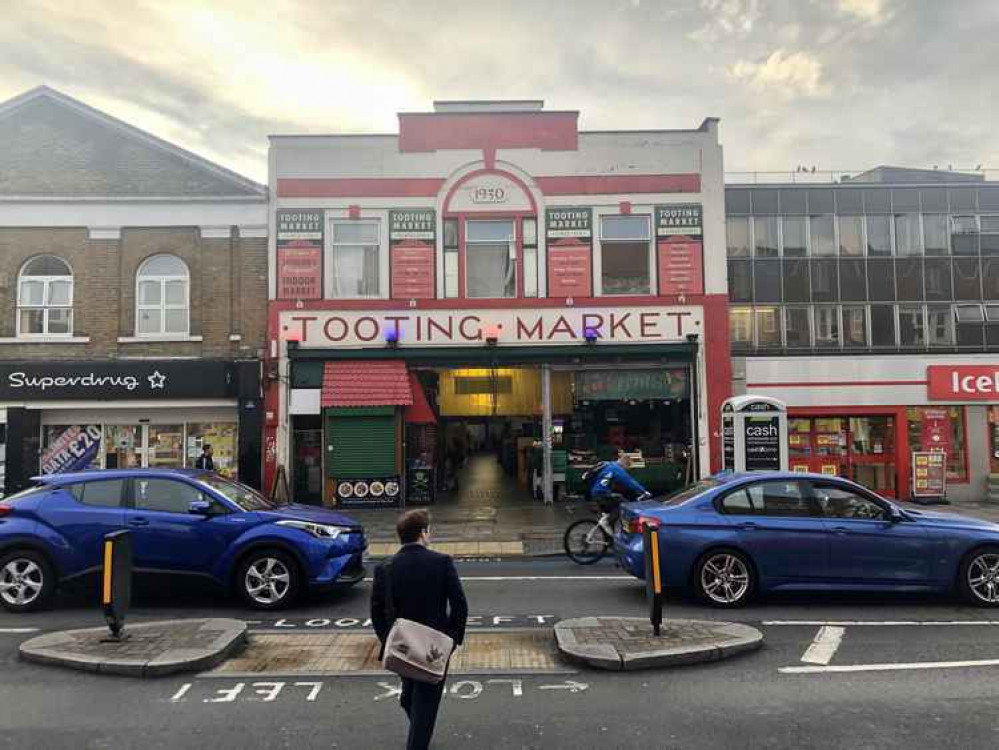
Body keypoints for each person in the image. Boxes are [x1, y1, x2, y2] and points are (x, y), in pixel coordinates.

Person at [371, 510, 468, 750]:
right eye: (428, 530)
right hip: (434, 646)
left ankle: (419, 730)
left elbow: (377, 611)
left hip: (403, 645)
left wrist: (388, 639)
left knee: (410, 694)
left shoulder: (386, 568)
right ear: (422, 534)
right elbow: (459, 604)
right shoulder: (442, 562)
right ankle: (418, 740)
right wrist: (453, 639)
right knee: (426, 702)